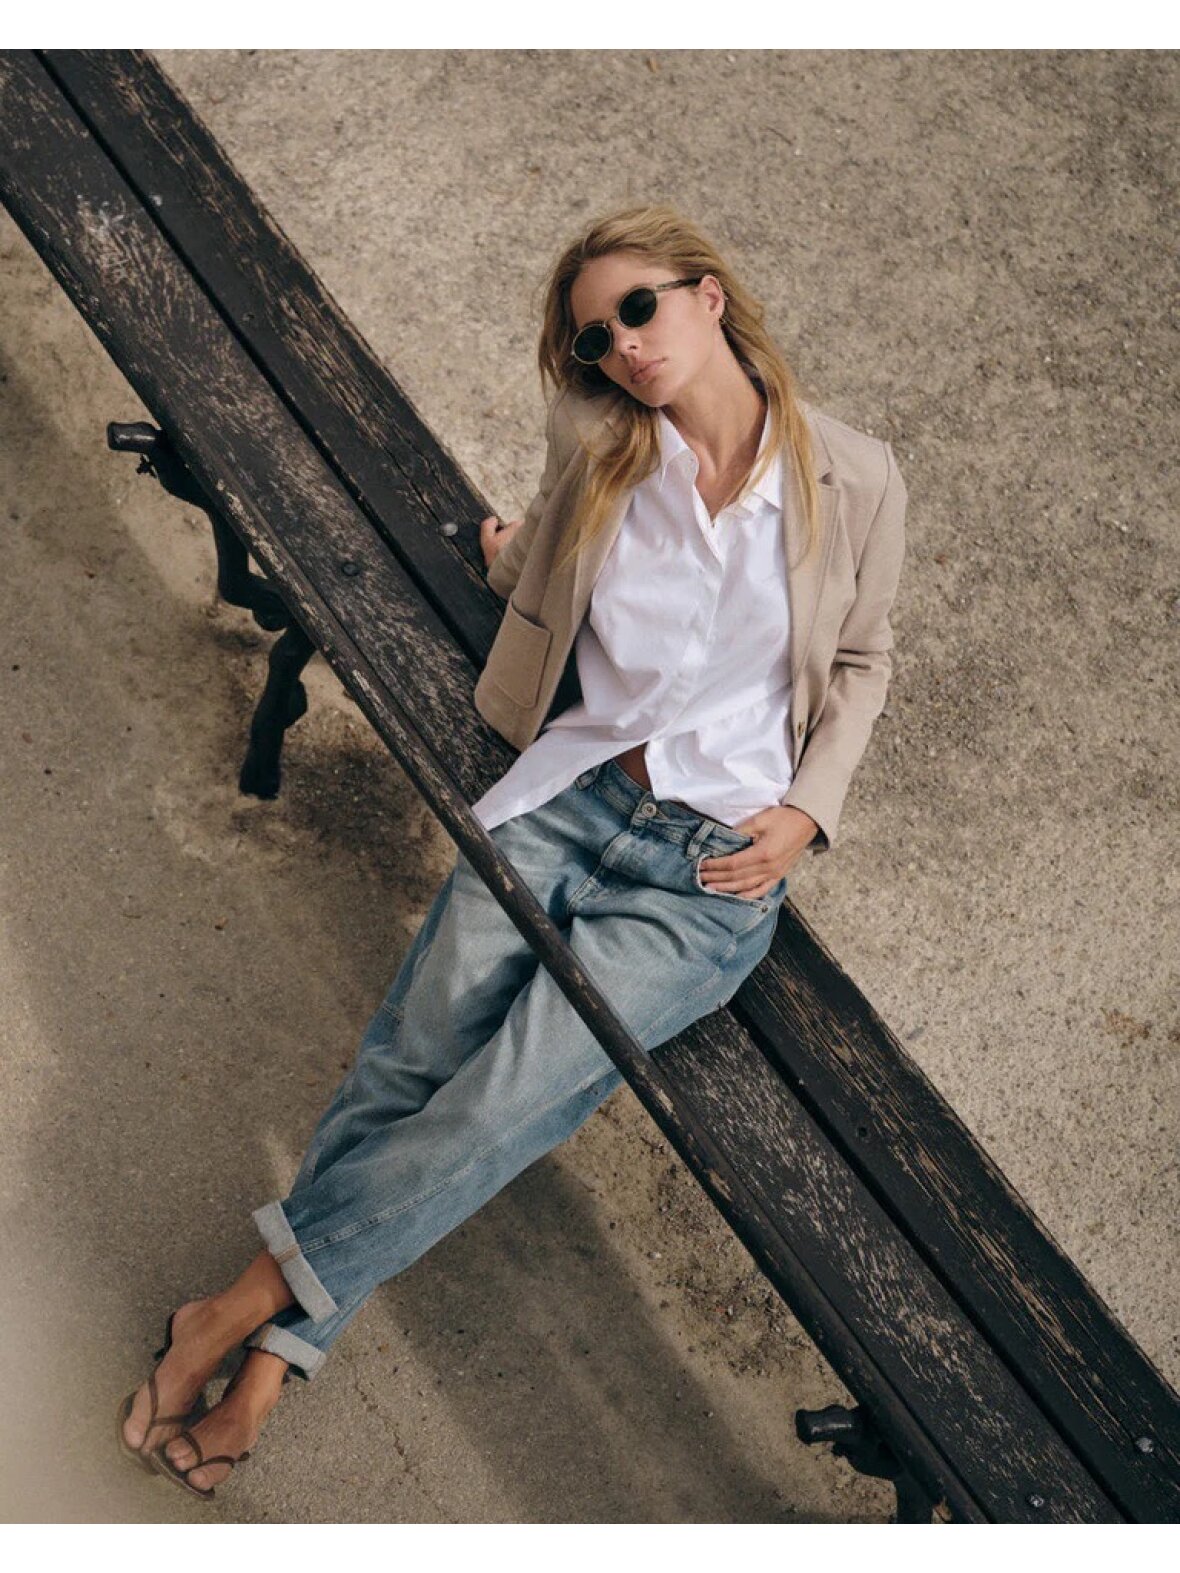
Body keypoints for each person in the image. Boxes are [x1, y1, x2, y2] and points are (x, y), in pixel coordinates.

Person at [117, 201, 907, 1497]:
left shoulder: (856, 477)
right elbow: (544, 566)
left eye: (639, 308)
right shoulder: (601, 442)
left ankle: (237, 1305)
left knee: (498, 1107)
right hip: (570, 798)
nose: (623, 346)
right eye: (595, 336)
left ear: (708, 295)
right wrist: (506, 559)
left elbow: (865, 659)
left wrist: (812, 808)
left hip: (705, 876)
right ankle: (267, 1365)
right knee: (408, 1065)